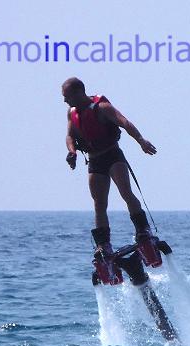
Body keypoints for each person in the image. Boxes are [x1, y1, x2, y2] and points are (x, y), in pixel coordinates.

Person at [62, 77, 157, 257]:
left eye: (67, 96)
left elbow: (124, 122)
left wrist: (141, 141)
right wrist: (72, 152)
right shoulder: (71, 113)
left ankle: (143, 231)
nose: (65, 101)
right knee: (99, 204)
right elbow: (69, 136)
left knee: (126, 193)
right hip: (94, 160)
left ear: (79, 93)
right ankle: (103, 245)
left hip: (112, 155)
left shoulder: (102, 108)